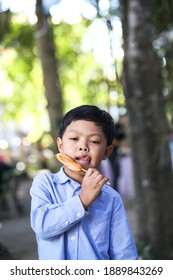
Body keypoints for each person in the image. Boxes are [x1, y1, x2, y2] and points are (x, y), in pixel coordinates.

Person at [30, 105, 138, 260]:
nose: (83, 147)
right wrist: (83, 200)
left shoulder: (111, 198)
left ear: (106, 152)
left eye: (94, 141)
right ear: (61, 146)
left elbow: (124, 255)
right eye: (74, 139)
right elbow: (43, 228)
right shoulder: (44, 184)